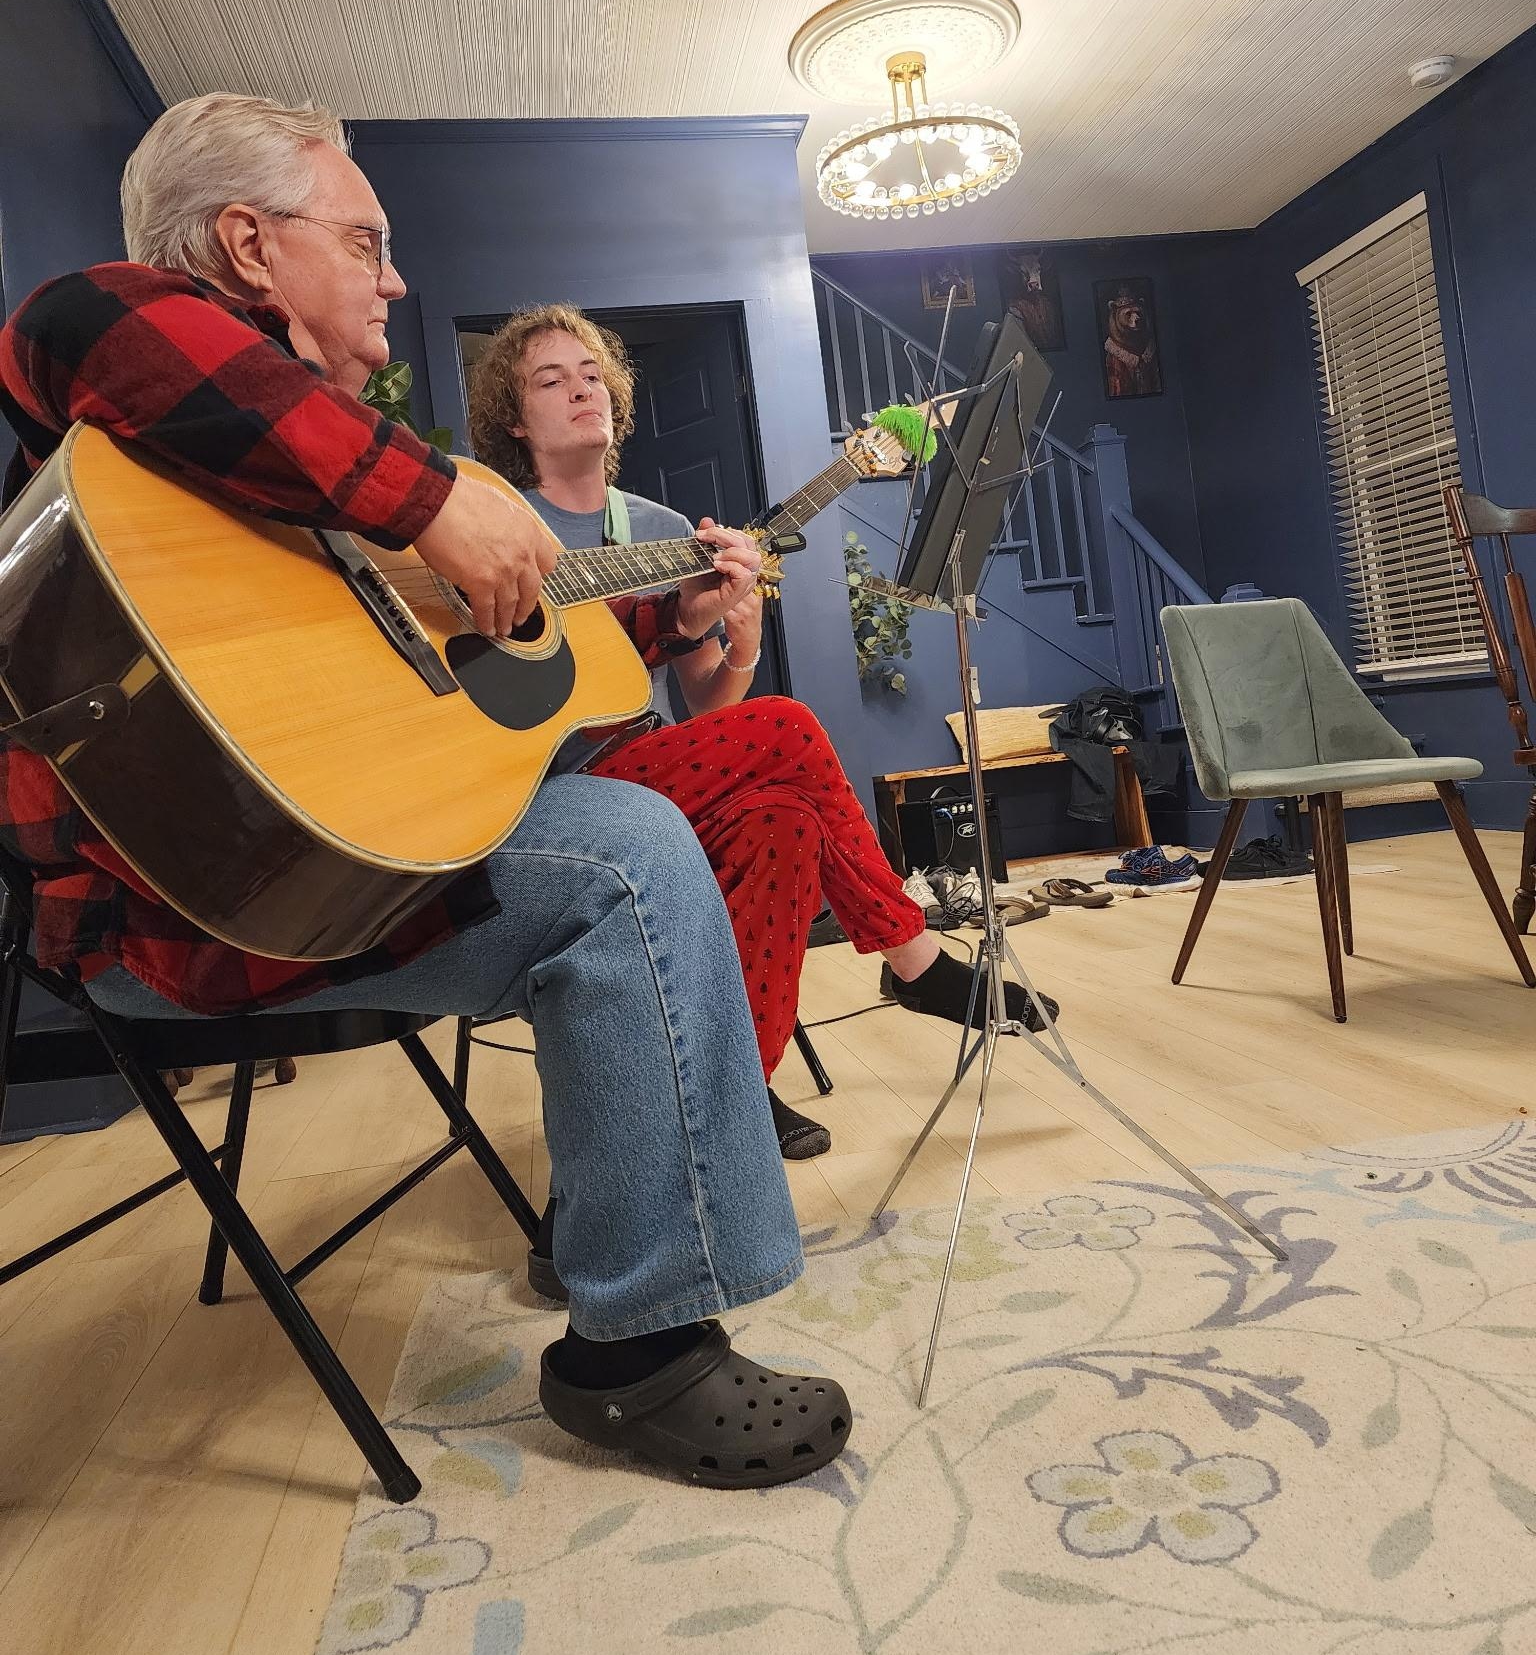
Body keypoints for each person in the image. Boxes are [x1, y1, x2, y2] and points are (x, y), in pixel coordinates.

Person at [0, 95, 851, 1491]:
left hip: (348, 851)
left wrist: (701, 632)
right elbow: (80, 325)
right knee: (627, 855)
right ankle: (639, 1358)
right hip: (202, 897)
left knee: (674, 813)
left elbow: (506, 668)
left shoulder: (307, 483)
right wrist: (432, 500)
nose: (397, 277)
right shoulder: (107, 342)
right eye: (365, 239)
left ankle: (648, 1224)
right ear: (246, 246)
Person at [466, 306, 1060, 1173]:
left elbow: (708, 714)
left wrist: (735, 641)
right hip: (551, 784)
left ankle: (736, 1083)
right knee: (786, 728)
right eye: (549, 381)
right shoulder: (492, 520)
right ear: (516, 421)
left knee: (780, 815)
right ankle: (914, 957)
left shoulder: (664, 530)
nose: (579, 389)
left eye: (591, 373)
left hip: (660, 769)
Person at [1101, 282, 1162, 399]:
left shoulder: (1150, 347)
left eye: (1138, 313)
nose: (1137, 317)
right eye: (1128, 314)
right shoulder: (1114, 351)